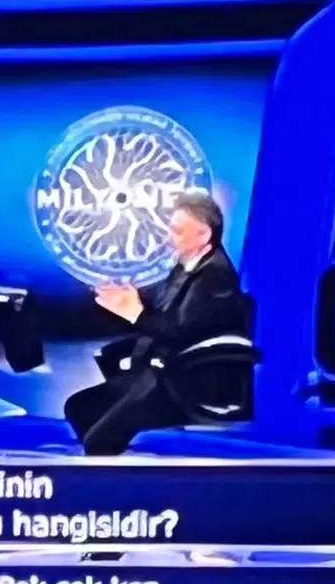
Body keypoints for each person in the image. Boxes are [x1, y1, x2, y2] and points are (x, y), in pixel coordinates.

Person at [63, 191, 248, 455]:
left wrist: (136, 314)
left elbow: (181, 334)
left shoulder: (216, 279)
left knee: (99, 441)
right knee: (79, 407)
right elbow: (165, 313)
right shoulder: (185, 266)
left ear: (203, 235)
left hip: (182, 382)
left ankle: (114, 472)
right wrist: (128, 300)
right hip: (156, 372)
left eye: (177, 231)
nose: (168, 238)